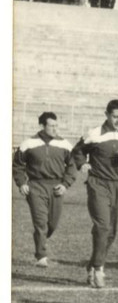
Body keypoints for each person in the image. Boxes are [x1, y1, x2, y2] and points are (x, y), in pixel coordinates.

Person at [71, 99, 118, 289]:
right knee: (102, 225)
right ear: (106, 114)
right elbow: (77, 151)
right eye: (115, 116)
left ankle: (92, 265)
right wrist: (82, 163)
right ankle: (98, 268)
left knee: (111, 230)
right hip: (98, 183)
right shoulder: (93, 134)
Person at [13, 112, 77, 267]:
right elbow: (18, 165)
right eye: (51, 126)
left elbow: (72, 166)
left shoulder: (64, 144)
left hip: (56, 186)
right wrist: (22, 183)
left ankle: (40, 238)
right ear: (42, 126)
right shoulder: (28, 143)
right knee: (40, 222)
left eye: (56, 125)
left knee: (52, 224)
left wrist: (65, 184)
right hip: (36, 186)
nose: (55, 128)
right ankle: (41, 256)